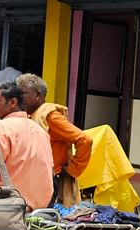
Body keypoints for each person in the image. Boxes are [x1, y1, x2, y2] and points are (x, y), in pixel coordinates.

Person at [16, 73, 93, 202]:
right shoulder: (31, 114)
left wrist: (73, 170)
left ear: (38, 95)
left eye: (23, 94)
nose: (18, 98)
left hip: (48, 178)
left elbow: (84, 140)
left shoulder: (50, 116)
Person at [0, 81, 55, 210]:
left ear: (13, 103)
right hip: (40, 209)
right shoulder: (39, 130)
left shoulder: (0, 130)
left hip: (7, 208)